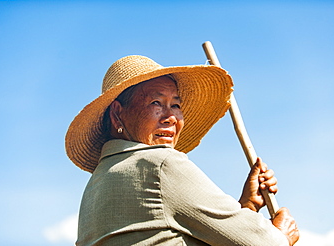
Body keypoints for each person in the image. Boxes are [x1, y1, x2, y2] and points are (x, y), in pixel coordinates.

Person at [66, 55, 300, 245]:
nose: (170, 117)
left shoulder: (97, 184)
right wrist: (280, 234)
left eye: (176, 105)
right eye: (156, 103)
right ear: (118, 113)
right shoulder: (160, 164)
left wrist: (247, 208)